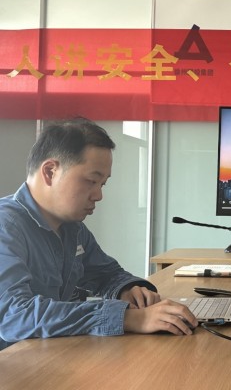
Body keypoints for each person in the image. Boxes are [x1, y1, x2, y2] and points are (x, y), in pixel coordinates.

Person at [0, 118, 197, 351]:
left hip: (49, 354)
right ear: (50, 172)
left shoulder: (73, 228)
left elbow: (106, 274)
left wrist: (128, 290)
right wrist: (127, 318)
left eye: (102, 184)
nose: (98, 195)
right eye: (91, 181)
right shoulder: (6, 226)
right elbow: (14, 316)